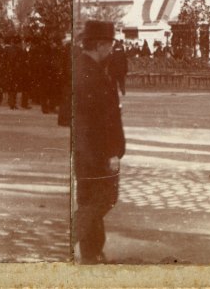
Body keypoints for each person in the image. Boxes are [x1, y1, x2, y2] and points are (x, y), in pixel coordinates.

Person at [73, 21, 125, 264]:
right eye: (110, 44)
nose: (111, 49)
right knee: (102, 200)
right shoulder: (93, 74)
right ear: (100, 45)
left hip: (85, 150)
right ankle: (72, 239)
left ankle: (92, 253)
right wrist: (112, 152)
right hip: (98, 151)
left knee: (90, 200)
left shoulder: (82, 68)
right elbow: (103, 120)